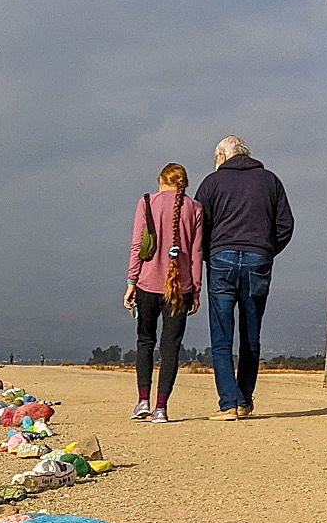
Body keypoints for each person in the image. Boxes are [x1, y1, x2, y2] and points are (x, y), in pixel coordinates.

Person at [193, 135, 293, 419]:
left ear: (223, 156)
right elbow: (285, 224)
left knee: (221, 336)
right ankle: (245, 399)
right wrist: (267, 250)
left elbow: (198, 228)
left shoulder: (211, 183)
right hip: (257, 260)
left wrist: (208, 254)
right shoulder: (270, 180)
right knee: (251, 334)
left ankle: (229, 403)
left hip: (221, 259)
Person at [121, 162, 203, 422]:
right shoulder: (195, 208)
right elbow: (197, 253)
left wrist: (131, 281)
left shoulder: (146, 202)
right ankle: (161, 408)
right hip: (181, 288)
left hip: (146, 284)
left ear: (161, 180)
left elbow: (137, 246)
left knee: (145, 342)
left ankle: (142, 401)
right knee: (171, 348)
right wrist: (197, 290)